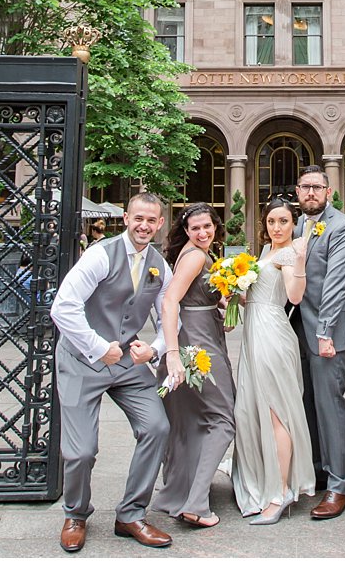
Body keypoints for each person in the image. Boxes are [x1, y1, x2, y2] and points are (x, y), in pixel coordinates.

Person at [49, 192, 175, 553]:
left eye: (151, 220)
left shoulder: (159, 264)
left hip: (125, 361)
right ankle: (75, 514)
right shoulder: (100, 255)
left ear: (160, 223)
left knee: (156, 427)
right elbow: (64, 307)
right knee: (81, 451)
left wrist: (156, 349)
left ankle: (131, 514)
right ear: (125, 217)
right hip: (81, 359)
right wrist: (98, 346)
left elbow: (169, 314)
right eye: (138, 218)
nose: (144, 226)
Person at [231, 196, 316, 524]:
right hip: (254, 333)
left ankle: (279, 492)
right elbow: (255, 293)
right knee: (252, 408)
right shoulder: (264, 252)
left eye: (283, 221)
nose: (277, 227)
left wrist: (300, 262)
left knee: (276, 411)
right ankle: (263, 479)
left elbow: (293, 297)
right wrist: (234, 291)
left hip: (272, 335)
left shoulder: (289, 253)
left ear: (293, 222)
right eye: (271, 222)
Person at [155, 204, 236, 529]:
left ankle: (181, 490)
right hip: (196, 345)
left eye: (207, 226)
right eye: (195, 228)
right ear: (186, 231)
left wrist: (222, 307)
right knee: (223, 419)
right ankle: (197, 502)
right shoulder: (196, 257)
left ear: (216, 226)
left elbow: (194, 299)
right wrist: (172, 351)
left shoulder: (198, 253)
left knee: (190, 420)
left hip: (201, 331)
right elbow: (170, 300)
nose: (202, 232)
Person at [292, 165, 345, 519]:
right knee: (308, 403)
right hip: (301, 329)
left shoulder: (343, 228)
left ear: (328, 192)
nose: (311, 193)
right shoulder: (299, 226)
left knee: (329, 405)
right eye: (305, 187)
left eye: (317, 187)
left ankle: (340, 485)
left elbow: (336, 284)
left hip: (329, 333)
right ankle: (319, 469)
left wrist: (324, 333)